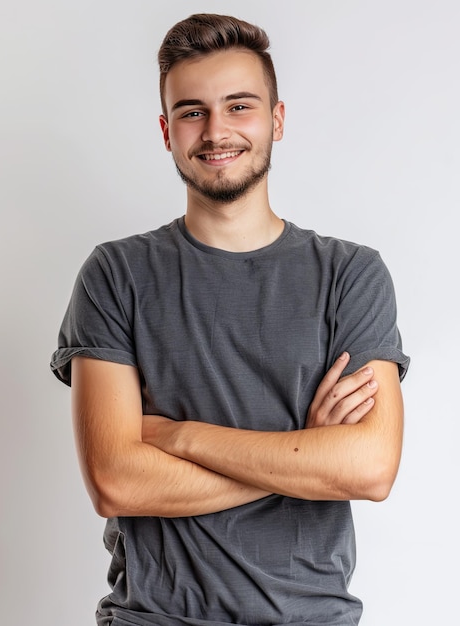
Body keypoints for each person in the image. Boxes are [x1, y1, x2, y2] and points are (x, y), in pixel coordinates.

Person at [51, 13, 409, 626]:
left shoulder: (351, 274)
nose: (216, 130)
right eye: (192, 112)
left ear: (276, 119)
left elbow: (369, 469)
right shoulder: (116, 274)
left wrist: (175, 437)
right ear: (167, 131)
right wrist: (306, 455)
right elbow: (116, 481)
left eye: (239, 106)